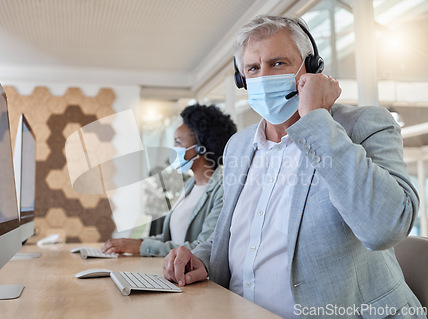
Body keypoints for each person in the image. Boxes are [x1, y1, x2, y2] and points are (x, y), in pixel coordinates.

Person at [163, 15, 425, 319]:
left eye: (278, 64)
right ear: (242, 80)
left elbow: (385, 227)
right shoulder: (239, 145)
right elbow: (232, 232)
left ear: (311, 68)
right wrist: (202, 260)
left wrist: (315, 121)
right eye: (252, 68)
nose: (262, 77)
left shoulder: (363, 125)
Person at [102, 104, 237, 257]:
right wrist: (132, 244)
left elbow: (204, 247)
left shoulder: (223, 189)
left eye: (178, 142)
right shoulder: (191, 185)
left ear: (201, 148)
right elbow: (170, 239)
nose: (173, 148)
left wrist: (141, 247)